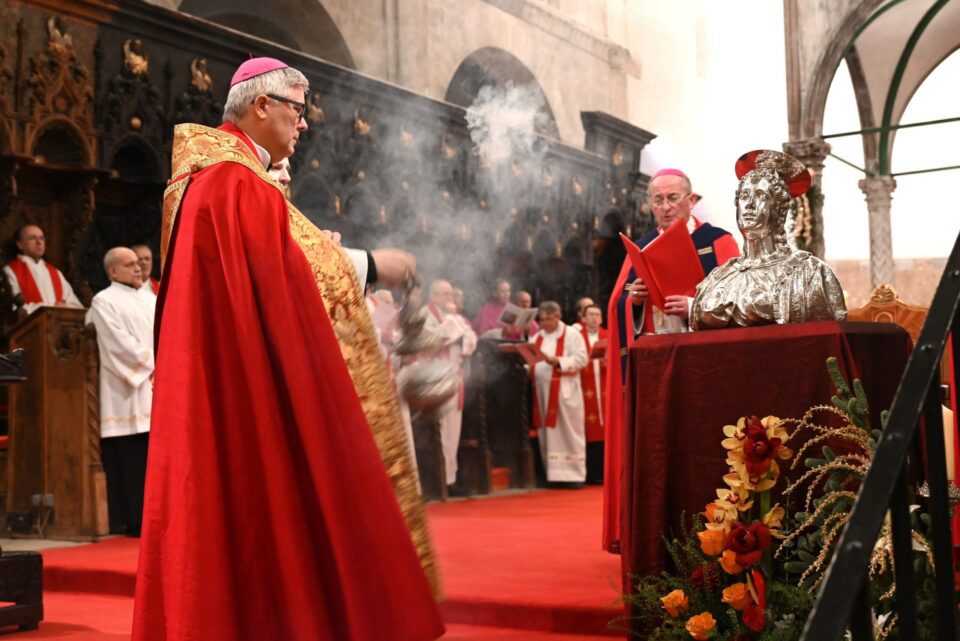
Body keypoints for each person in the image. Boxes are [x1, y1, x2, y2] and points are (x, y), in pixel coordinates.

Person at [133, 57, 443, 641]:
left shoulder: (214, 177)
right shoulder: (232, 180)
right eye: (297, 111)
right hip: (240, 382)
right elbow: (281, 270)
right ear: (262, 106)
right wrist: (376, 265)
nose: (303, 125)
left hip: (222, 377)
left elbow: (268, 264)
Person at [270, 142, 436, 586]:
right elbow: (279, 270)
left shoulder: (272, 208)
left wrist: (330, 255)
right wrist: (368, 264)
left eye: (287, 170)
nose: (285, 177)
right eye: (278, 169)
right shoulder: (248, 202)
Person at [602, 168, 740, 553]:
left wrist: (696, 307)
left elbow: (741, 301)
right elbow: (618, 309)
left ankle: (716, 534)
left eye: (673, 198)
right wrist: (636, 302)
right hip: (658, 369)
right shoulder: (642, 247)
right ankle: (660, 537)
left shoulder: (718, 242)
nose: (666, 207)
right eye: (658, 200)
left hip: (706, 369)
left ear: (690, 200)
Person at [692, 150, 846, 327]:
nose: (749, 204)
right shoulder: (719, 276)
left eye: (760, 196)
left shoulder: (810, 272)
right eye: (744, 196)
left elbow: (828, 336)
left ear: (779, 210)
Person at [86, 247, 155, 537]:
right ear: (113, 271)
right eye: (129, 264)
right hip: (129, 389)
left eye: (138, 263)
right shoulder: (104, 301)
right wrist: (156, 362)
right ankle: (135, 519)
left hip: (156, 386)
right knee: (131, 456)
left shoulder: (150, 298)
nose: (137, 268)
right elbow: (118, 344)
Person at [422, 280, 477, 496]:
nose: (450, 299)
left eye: (451, 295)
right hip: (435, 376)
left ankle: (451, 478)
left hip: (454, 375)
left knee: (453, 428)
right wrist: (454, 331)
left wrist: (460, 337)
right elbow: (433, 340)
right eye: (446, 295)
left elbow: (471, 338)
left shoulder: (454, 316)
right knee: (440, 429)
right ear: (434, 295)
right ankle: (439, 479)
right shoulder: (424, 315)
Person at [529, 300, 589, 485]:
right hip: (542, 391)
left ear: (559, 316)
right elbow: (530, 361)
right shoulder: (536, 337)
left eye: (549, 319)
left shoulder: (572, 334)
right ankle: (553, 475)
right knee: (547, 433)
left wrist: (558, 361)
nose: (545, 323)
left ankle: (574, 476)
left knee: (569, 431)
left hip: (565, 389)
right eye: (542, 319)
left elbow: (582, 359)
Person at [4, 224, 82, 314]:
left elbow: (76, 306)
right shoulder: (10, 271)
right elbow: (13, 308)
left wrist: (66, 307)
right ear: (20, 245)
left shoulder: (56, 273)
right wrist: (52, 309)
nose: (39, 242)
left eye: (41, 238)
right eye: (32, 238)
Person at [578, 304, 607, 484]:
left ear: (601, 318)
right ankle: (591, 473)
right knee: (588, 427)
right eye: (590, 314)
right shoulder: (577, 337)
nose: (594, 318)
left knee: (605, 428)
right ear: (583, 318)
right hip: (585, 385)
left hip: (604, 383)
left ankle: (604, 472)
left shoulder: (608, 334)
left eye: (597, 314)